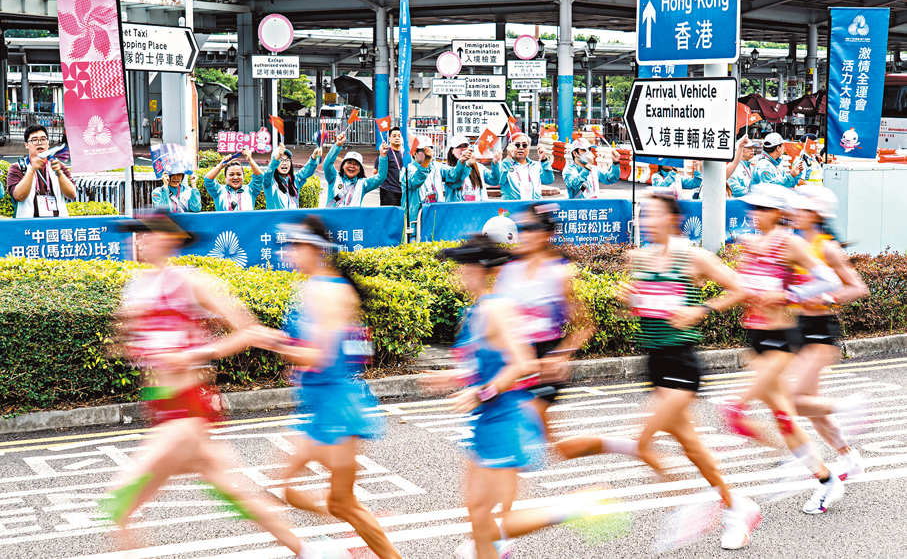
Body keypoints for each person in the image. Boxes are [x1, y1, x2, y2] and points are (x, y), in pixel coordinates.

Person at [103, 211, 323, 559]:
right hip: (162, 410)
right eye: (136, 234)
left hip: (188, 411)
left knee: (120, 498)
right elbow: (129, 342)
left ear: (172, 240)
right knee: (239, 495)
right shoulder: (136, 287)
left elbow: (247, 331)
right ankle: (312, 551)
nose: (139, 239)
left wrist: (193, 355)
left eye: (147, 233)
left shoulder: (192, 282)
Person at [556, 193, 761, 550]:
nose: (646, 220)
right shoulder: (640, 257)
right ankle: (734, 506)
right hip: (655, 363)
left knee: (643, 440)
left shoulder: (693, 256)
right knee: (693, 448)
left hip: (682, 362)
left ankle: (697, 504)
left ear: (671, 218)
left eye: (652, 214)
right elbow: (647, 309)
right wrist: (631, 302)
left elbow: (741, 288)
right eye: (643, 214)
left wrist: (701, 310)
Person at [429, 236, 603, 559]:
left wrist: (481, 393)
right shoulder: (475, 311)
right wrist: (450, 378)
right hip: (486, 421)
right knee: (476, 513)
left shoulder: (498, 310)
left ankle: (571, 508)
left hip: (504, 421)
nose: (459, 274)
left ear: (481, 270)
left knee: (488, 517)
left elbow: (522, 364)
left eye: (464, 267)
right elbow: (479, 364)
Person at [248, 216, 401, 559]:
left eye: (293, 246)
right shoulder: (314, 285)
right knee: (333, 500)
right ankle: (354, 533)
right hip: (323, 403)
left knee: (292, 488)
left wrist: (270, 341)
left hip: (337, 407)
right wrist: (296, 365)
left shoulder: (327, 290)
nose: (286, 253)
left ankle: (338, 544)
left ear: (314, 249)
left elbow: (319, 354)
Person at [718, 183, 846, 515]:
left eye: (762, 209)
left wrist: (790, 297)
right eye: (753, 207)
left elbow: (830, 281)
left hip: (780, 340)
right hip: (756, 339)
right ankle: (825, 478)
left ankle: (785, 457)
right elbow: (746, 287)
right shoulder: (752, 245)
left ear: (779, 213)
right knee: (784, 420)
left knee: (734, 409)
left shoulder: (790, 244)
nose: (754, 213)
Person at [790, 186, 870, 479]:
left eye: (801, 209)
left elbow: (859, 287)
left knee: (797, 401)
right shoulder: (797, 244)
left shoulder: (826, 248)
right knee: (812, 408)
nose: (795, 214)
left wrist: (828, 298)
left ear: (815, 214)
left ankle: (848, 408)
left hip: (822, 331)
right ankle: (849, 458)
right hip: (800, 327)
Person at [494, 204, 594, 433]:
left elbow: (586, 325)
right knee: (545, 442)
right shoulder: (508, 268)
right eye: (523, 228)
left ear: (548, 233)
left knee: (518, 430)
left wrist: (560, 356)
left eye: (533, 228)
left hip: (543, 363)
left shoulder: (559, 272)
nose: (526, 234)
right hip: (512, 362)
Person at [7, 124, 77, 218]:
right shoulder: (17, 168)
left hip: (56, 226)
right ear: (26, 145)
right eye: (34, 140)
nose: (40, 143)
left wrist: (59, 173)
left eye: (43, 139)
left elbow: (71, 194)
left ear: (48, 143)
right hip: (28, 228)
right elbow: (19, 196)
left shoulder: (58, 166)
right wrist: (32, 170)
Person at [324, 132, 388, 207]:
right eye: (349, 162)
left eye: (356, 164)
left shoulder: (363, 184)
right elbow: (327, 165)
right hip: (332, 218)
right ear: (343, 166)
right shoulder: (334, 177)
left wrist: (383, 156)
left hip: (353, 218)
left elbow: (381, 177)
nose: (352, 166)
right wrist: (337, 145)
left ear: (360, 169)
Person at [443, 135, 502, 202]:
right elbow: (455, 182)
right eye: (459, 146)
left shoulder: (479, 167)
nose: (463, 149)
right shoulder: (447, 169)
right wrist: (466, 165)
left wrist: (495, 163)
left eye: (465, 146)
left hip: (477, 209)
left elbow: (494, 181)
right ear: (452, 151)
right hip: (458, 210)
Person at [261, 142, 321, 209]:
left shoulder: (294, 180)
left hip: (293, 219)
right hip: (277, 219)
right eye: (281, 160)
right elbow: (268, 172)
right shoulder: (269, 182)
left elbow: (306, 171)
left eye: (287, 160)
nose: (284, 163)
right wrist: (278, 156)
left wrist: (314, 156)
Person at [498, 132, 554, 201]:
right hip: (513, 208)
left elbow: (548, 180)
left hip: (534, 207)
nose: (521, 148)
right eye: (517, 145)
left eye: (524, 145)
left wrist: (543, 160)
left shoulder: (536, 165)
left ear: (529, 148)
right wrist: (508, 156)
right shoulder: (505, 165)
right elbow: (500, 180)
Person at [378, 126, 408, 206]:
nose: (397, 138)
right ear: (389, 138)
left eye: (399, 136)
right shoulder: (385, 152)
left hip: (403, 190)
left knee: (402, 216)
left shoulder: (405, 153)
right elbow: (376, 171)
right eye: (394, 136)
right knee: (390, 216)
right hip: (389, 191)